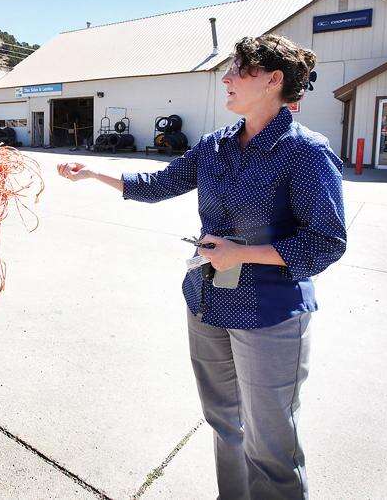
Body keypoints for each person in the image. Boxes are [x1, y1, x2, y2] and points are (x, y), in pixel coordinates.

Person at [58, 35, 346, 499]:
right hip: (207, 303)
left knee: (270, 441)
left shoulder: (305, 152)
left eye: (240, 71)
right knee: (223, 422)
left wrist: (241, 254)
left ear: (275, 81)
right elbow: (158, 184)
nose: (226, 79)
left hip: (269, 314)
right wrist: (93, 174)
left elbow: (326, 242)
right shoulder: (216, 145)